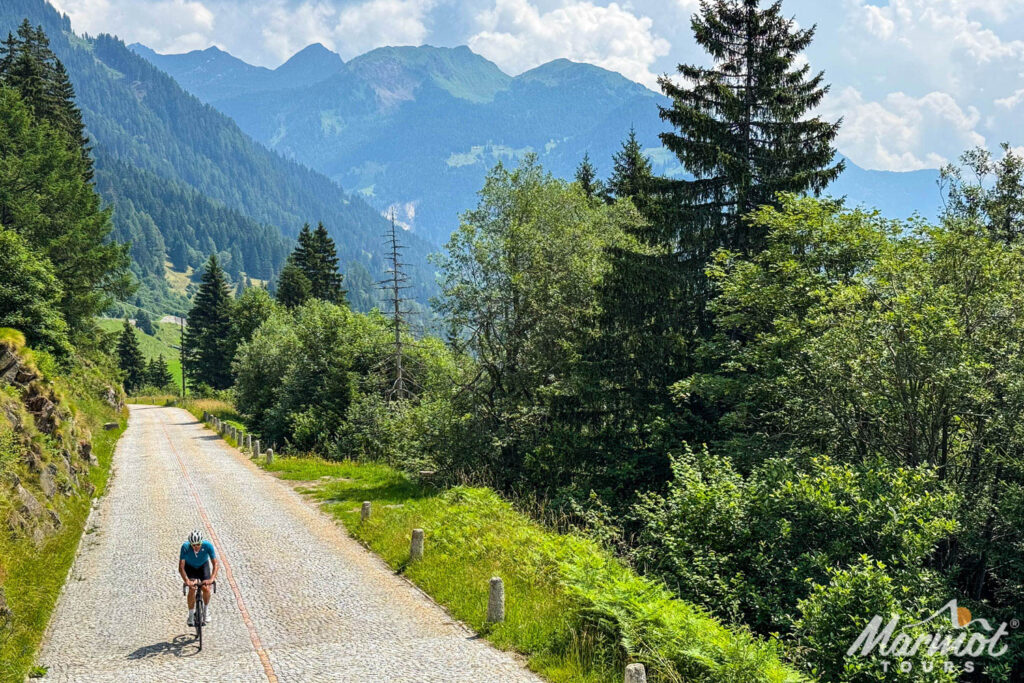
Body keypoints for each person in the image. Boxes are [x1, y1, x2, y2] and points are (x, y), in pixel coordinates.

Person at [179, 529, 218, 626]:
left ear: (201, 542)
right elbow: (181, 567)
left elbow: (215, 564)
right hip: (190, 567)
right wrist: (187, 581)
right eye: (193, 545)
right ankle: (191, 615)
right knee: (192, 589)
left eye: (198, 544)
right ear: (190, 544)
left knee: (206, 588)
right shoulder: (185, 547)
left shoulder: (208, 545)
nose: (196, 547)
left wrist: (212, 578)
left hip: (203, 566)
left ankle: (206, 610)